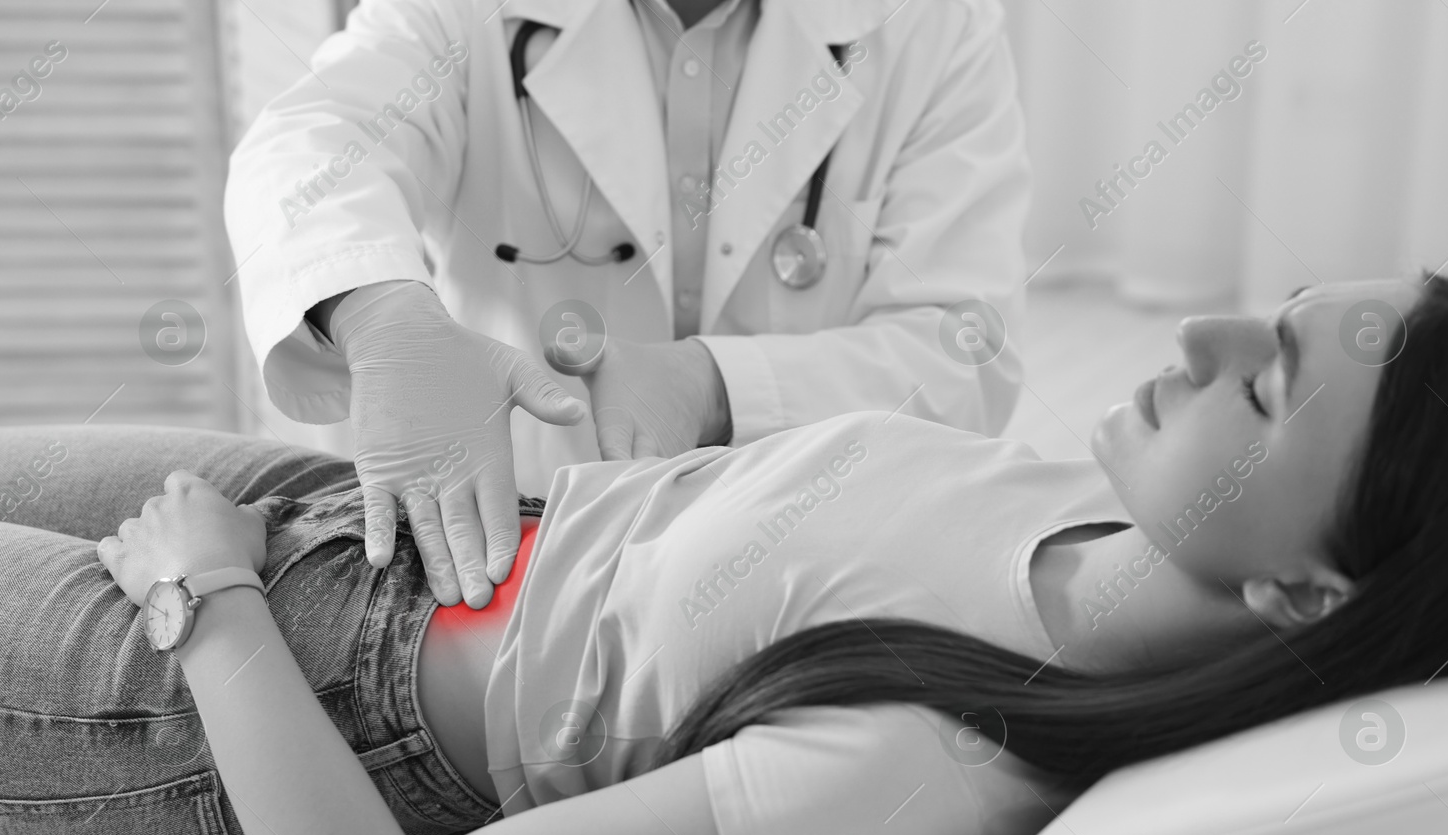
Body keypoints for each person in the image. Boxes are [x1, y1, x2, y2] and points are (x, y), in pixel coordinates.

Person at [0, 275, 1448, 835]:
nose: (1207, 334)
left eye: (1268, 384)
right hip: (350, 513)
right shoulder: (1100, 507)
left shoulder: (929, 763)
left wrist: (209, 600)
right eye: (1275, 310)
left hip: (246, 687)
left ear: (1310, 594)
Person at [223, 0, 1031, 613]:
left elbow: (962, 349)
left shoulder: (933, 23)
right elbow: (311, 139)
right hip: (519, 559)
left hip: (811, 570)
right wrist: (382, 316)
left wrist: (718, 385)